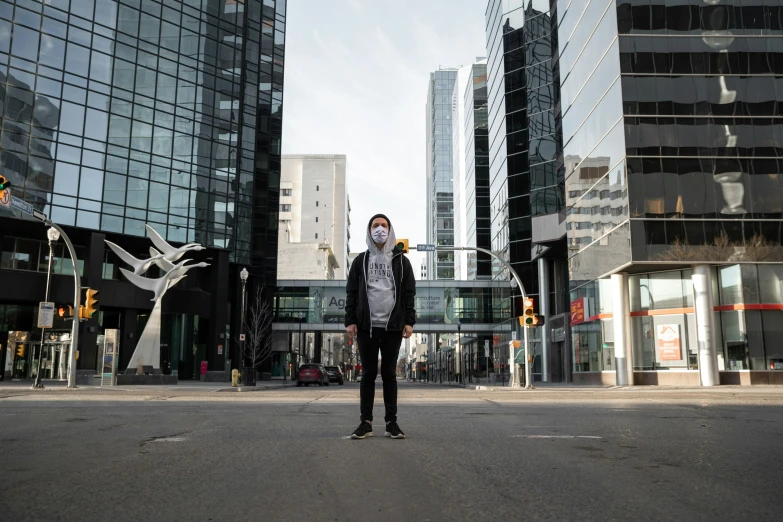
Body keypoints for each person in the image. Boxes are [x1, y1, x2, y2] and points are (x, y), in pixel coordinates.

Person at [344, 214, 416, 439]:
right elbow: (352, 292)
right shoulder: (361, 261)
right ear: (369, 230)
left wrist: (409, 321)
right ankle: (365, 422)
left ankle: (391, 423)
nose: (380, 229)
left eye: (384, 226)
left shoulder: (401, 261)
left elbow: (408, 293)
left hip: (393, 326)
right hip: (366, 327)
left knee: (389, 375)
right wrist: (350, 320)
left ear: (390, 230)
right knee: (367, 375)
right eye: (375, 226)